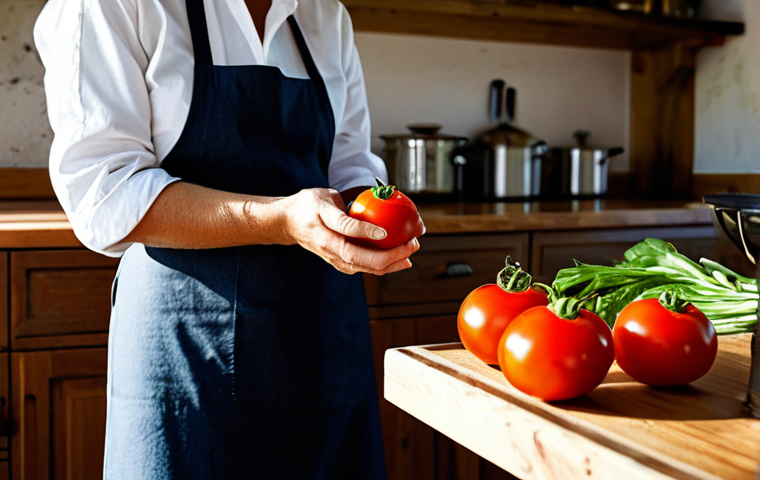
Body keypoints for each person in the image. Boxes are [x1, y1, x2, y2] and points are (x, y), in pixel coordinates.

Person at [34, 0, 421, 478]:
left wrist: (371, 215)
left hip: (321, 337)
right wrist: (279, 219)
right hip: (186, 342)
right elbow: (105, 192)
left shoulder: (325, 15)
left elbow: (349, 160)